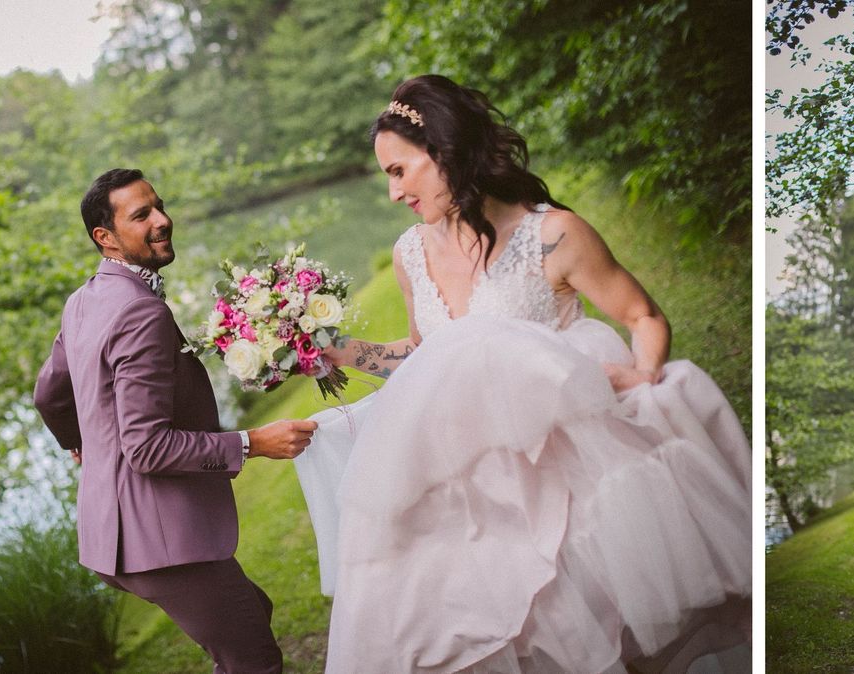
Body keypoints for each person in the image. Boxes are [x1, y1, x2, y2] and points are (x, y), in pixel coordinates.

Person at [291, 75, 751, 673]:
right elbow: (428, 356)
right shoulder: (410, 254)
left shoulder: (553, 234)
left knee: (593, 624)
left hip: (559, 465)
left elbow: (643, 315)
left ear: (445, 151)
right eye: (388, 176)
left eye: (400, 171)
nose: (393, 192)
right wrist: (343, 350)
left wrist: (644, 372)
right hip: (466, 477)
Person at [34, 168, 319, 674]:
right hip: (157, 540)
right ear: (105, 237)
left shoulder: (83, 302)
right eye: (141, 215)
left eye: (159, 206)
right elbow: (147, 448)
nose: (162, 220)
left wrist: (80, 441)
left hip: (112, 536)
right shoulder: (139, 311)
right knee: (253, 658)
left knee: (251, 615)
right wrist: (253, 442)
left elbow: (49, 394)